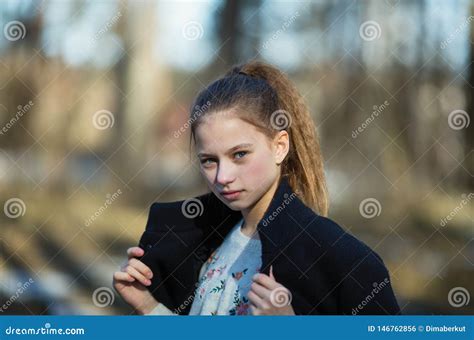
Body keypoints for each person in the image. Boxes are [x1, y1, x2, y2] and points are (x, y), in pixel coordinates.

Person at [113, 61, 401, 315]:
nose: (223, 176)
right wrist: (148, 306)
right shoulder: (198, 241)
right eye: (209, 160)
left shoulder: (343, 262)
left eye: (239, 154)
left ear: (279, 147)